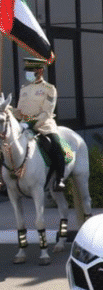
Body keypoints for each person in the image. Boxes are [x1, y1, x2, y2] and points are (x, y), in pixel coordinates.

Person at [13, 57, 65, 191]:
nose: (28, 73)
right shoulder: (24, 89)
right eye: (27, 70)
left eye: (31, 70)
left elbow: (47, 112)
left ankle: (59, 180)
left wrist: (30, 124)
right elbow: (19, 112)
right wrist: (6, 108)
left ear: (40, 71)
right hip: (23, 126)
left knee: (56, 147)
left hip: (44, 126)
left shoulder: (49, 88)